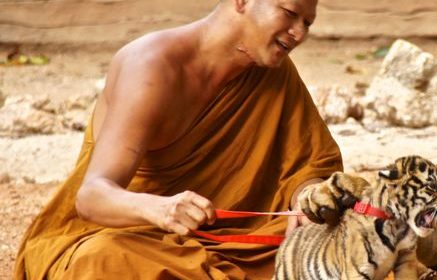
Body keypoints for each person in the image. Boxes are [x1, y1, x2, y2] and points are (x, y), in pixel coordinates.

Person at [13, 0, 343, 279]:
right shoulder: (151, 65)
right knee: (102, 261)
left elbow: (306, 166)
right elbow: (92, 196)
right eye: (289, 12)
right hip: (135, 237)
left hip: (238, 245)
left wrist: (307, 197)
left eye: (308, 23)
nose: (299, 33)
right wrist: (160, 209)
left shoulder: (275, 74)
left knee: (349, 246)